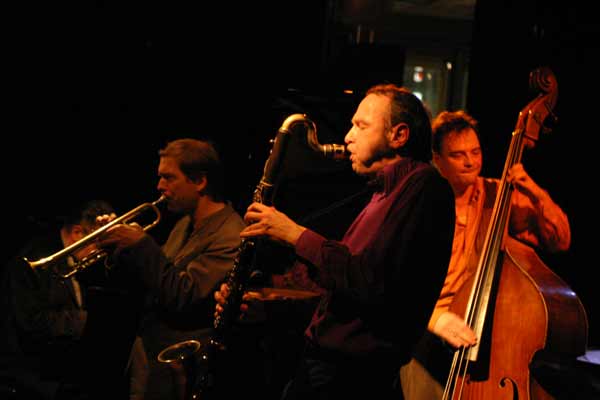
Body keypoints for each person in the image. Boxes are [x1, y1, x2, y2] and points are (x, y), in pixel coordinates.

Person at [215, 83, 456, 399]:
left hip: (353, 381)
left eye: (361, 125)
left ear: (399, 135)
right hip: (326, 373)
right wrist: (269, 309)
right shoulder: (381, 195)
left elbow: (371, 281)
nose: (347, 136)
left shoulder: (424, 186)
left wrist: (294, 234)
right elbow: (348, 301)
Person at [399, 109, 572, 399]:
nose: (470, 162)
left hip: (482, 334)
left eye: (475, 152)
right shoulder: (420, 202)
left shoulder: (497, 195)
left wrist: (534, 190)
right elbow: (396, 279)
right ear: (437, 159)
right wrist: (433, 319)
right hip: (427, 330)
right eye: (457, 155)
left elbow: (559, 240)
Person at [96, 138, 246, 400]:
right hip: (150, 360)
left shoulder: (232, 234)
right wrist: (118, 249)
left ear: (199, 181)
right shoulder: (183, 225)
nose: (159, 186)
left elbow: (184, 296)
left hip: (183, 371)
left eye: (168, 177)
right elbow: (155, 282)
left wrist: (141, 245)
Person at [0, 199, 147, 400]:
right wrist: (88, 321)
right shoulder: (34, 260)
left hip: (69, 371)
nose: (101, 251)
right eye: (99, 241)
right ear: (77, 233)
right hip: (36, 376)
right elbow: (32, 322)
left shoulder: (84, 263)